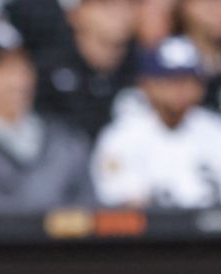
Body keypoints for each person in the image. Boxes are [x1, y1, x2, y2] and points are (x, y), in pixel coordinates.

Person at [0, 21, 94, 212]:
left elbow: (89, 210)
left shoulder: (66, 142)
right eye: (1, 69)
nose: (16, 81)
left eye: (22, 67)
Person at [91, 36, 221, 207]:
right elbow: (119, 200)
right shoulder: (122, 135)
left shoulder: (214, 129)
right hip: (149, 233)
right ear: (147, 84)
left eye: (189, 80)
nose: (181, 89)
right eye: (170, 80)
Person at [34, 0, 140, 139]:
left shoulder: (146, 67)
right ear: (75, 13)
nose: (120, 12)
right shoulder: (48, 71)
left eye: (129, 4)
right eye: (107, 5)